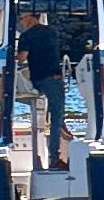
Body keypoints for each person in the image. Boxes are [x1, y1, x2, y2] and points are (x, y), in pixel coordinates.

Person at [15, 11, 71, 171]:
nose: (22, 22)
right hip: (54, 78)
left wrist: (12, 57)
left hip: (38, 79)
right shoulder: (52, 32)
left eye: (23, 18)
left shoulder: (26, 36)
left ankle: (54, 156)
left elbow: (23, 57)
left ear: (31, 18)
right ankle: (55, 156)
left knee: (56, 119)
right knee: (57, 116)